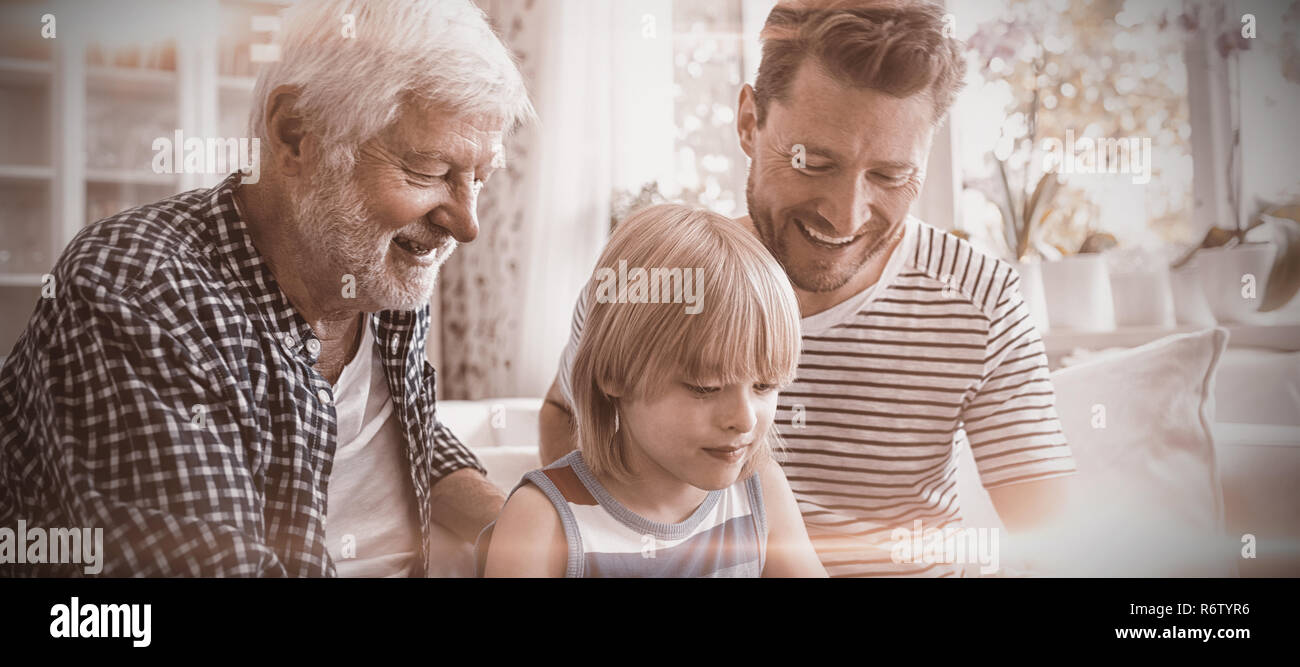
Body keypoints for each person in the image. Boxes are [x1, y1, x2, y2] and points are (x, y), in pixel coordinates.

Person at [538, 0, 1078, 577]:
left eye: (890, 176)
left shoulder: (980, 298)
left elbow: (1049, 534)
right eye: (813, 162)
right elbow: (566, 411)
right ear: (749, 121)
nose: (846, 217)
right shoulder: (655, 280)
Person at [0, 0, 533, 577]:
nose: (467, 223)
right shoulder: (141, 292)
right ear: (296, 134)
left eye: (479, 178)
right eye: (429, 171)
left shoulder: (377, 267)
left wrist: (510, 529)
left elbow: (395, 426)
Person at [480, 205, 826, 577]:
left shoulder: (760, 491)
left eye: (763, 385)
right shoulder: (542, 521)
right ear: (614, 373)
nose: (743, 419)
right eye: (704, 388)